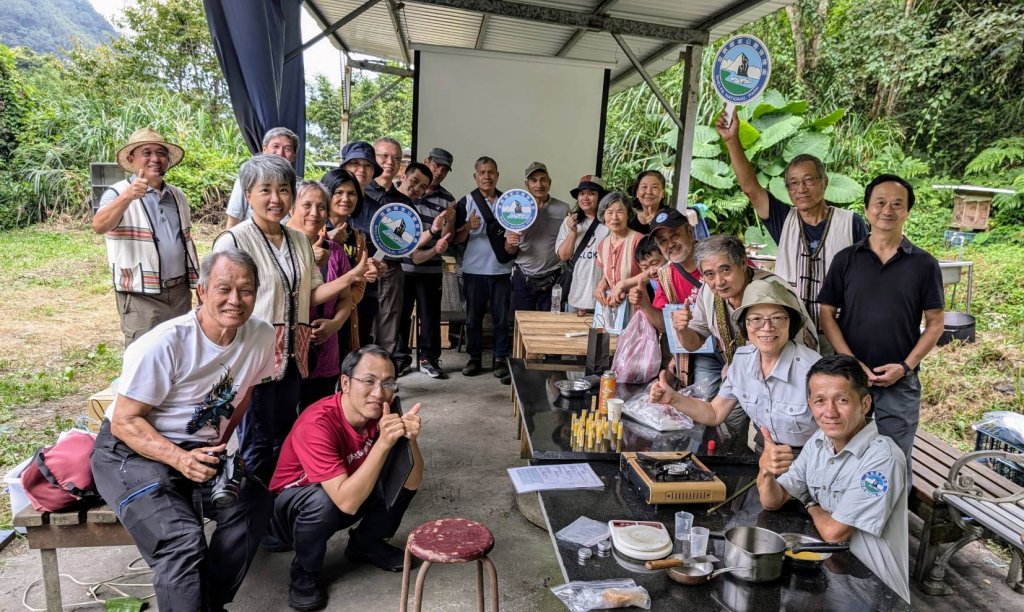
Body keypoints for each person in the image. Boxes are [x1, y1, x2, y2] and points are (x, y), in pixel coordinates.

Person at [90, 249, 277, 611]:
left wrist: (218, 450)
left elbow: (243, 396)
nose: (235, 300)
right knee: (181, 540)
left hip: (195, 449)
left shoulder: (261, 336)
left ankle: (208, 603)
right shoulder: (164, 344)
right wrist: (179, 458)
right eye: (224, 289)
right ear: (202, 292)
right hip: (130, 451)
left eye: (246, 290)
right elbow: (126, 420)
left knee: (253, 504)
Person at [212, 154, 370, 484]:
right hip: (254, 359)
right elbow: (220, 303)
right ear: (248, 193)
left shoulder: (299, 240)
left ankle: (278, 513)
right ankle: (252, 523)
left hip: (295, 359)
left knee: (284, 439)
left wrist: (350, 278)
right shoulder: (234, 240)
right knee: (257, 443)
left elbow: (311, 294)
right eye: (265, 190)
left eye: (283, 190)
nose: (275, 199)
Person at [267, 345, 423, 611]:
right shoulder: (317, 423)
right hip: (290, 513)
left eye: (387, 383)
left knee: (395, 473)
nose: (378, 393)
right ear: (346, 383)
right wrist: (384, 444)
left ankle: (366, 544)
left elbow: (412, 479)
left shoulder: (380, 413)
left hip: (343, 492)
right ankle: (305, 573)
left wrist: (410, 441)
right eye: (369, 381)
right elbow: (347, 503)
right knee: (323, 501)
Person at [756, 354, 910, 603]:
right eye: (819, 401)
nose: (830, 412)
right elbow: (772, 501)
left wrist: (809, 504)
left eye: (842, 400)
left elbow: (835, 534)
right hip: (833, 574)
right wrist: (765, 472)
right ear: (810, 404)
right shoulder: (819, 441)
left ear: (865, 403)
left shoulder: (883, 458)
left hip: (869, 589)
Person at [818, 174, 944, 464]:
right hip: (849, 378)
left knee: (894, 459)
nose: (888, 210)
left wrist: (905, 367)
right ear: (867, 208)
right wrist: (851, 363)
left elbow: (935, 323)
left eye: (897, 204)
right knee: (842, 454)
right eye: (880, 203)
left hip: (899, 381)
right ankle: (841, 510)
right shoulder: (846, 259)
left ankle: (892, 511)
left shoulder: (924, 264)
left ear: (908, 211)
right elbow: (827, 313)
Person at [716, 108, 867, 350]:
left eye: (809, 180)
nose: (801, 189)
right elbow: (751, 188)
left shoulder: (851, 223)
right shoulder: (784, 219)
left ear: (824, 182)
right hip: (793, 334)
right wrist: (731, 139)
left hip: (843, 334)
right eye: (793, 184)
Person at [672, 234, 818, 449]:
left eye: (725, 270)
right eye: (709, 274)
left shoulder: (773, 291)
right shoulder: (708, 293)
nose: (718, 281)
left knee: (780, 439)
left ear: (743, 263)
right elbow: (693, 342)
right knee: (729, 436)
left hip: (789, 382)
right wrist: (682, 330)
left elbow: (794, 350)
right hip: (742, 377)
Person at [650, 280, 823, 455]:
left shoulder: (814, 369)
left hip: (811, 457)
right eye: (756, 319)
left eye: (777, 318)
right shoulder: (741, 362)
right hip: (764, 453)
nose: (767, 327)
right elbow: (715, 412)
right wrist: (673, 398)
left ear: (790, 324)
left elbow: (839, 430)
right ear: (745, 326)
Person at [93, 128, 199, 347]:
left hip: (179, 292)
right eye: (147, 152)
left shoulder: (177, 195)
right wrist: (128, 196)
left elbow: (186, 241)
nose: (155, 159)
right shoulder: (118, 192)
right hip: (141, 295)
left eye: (161, 153)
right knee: (144, 356)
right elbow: (99, 225)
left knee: (181, 351)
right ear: (132, 160)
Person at [286, 180, 354, 409]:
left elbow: (346, 298)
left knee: (317, 416)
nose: (314, 213)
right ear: (291, 208)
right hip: (286, 352)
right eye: (307, 205)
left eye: (321, 207)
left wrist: (335, 324)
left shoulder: (334, 251)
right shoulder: (278, 249)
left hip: (325, 350)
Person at [453, 156, 512, 380]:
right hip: (473, 271)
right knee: (473, 318)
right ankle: (474, 358)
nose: (487, 176)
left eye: (491, 172)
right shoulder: (466, 202)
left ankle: (500, 359)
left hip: (502, 270)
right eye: (482, 172)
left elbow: (515, 233)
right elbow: (454, 240)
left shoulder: (508, 202)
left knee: (501, 319)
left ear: (497, 176)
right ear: (475, 176)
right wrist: (468, 226)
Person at [398, 159, 456, 379]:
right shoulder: (399, 196)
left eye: (444, 169)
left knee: (430, 316)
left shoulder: (447, 199)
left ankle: (428, 359)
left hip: (430, 266)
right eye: (436, 165)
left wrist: (448, 222)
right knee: (400, 315)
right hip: (401, 268)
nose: (439, 171)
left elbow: (446, 235)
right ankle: (400, 359)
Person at [322, 168, 375, 356]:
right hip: (316, 316)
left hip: (346, 316)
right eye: (339, 192)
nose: (346, 199)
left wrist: (343, 310)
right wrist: (326, 238)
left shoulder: (358, 238)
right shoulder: (311, 230)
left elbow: (359, 282)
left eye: (352, 193)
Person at [506, 162, 571, 312]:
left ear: (550, 182)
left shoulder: (563, 208)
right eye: (534, 180)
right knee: (522, 323)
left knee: (551, 325)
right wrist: (510, 243)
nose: (539, 184)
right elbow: (509, 250)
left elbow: (568, 244)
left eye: (543, 179)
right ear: (526, 184)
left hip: (554, 278)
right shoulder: (515, 207)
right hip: (523, 277)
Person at [339, 141, 385, 345]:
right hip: (332, 287)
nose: (361, 170)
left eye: (367, 165)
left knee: (362, 340)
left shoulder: (380, 211)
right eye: (355, 163)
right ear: (344, 167)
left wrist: (378, 264)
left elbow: (381, 250)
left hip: (365, 290)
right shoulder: (325, 201)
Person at [226, 127, 301, 228]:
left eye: (287, 148)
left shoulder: (300, 185)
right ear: (264, 149)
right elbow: (233, 219)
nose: (280, 153)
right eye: (275, 146)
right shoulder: (250, 178)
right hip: (251, 239)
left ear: (294, 155)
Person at [556, 175, 610, 314]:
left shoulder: (610, 223)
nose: (585, 198)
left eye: (591, 193)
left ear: (601, 197)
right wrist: (573, 232)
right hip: (575, 295)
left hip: (603, 296)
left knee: (599, 335)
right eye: (581, 193)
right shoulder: (570, 221)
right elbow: (563, 256)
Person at [593, 192, 643, 313]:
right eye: (609, 212)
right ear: (603, 216)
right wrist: (601, 284)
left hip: (637, 307)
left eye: (620, 212)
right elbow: (608, 273)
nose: (614, 217)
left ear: (628, 215)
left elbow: (650, 273)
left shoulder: (639, 240)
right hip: (613, 310)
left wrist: (623, 284)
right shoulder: (602, 245)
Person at [627, 170, 671, 234]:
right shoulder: (629, 221)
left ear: (662, 194)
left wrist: (658, 225)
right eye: (644, 187)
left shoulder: (672, 216)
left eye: (654, 187)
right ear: (637, 193)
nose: (649, 192)